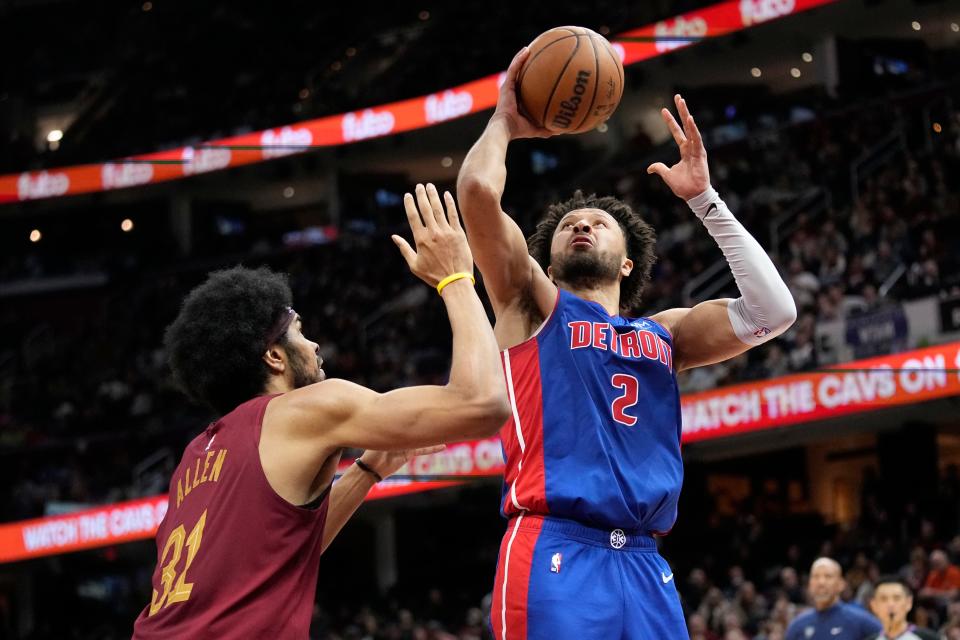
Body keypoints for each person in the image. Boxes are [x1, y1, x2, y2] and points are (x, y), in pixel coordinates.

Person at [456, 46, 798, 639]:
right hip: (554, 546)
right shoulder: (529, 303)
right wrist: (505, 123)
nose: (581, 225)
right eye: (568, 225)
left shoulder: (665, 334)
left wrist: (704, 201)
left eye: (598, 223)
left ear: (627, 264)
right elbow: (479, 197)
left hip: (645, 562)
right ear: (551, 256)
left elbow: (774, 311)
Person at [132, 185, 510, 638]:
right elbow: (483, 402)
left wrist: (367, 470)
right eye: (300, 332)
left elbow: (281, 553)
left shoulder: (197, 453)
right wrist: (456, 279)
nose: (313, 345)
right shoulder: (306, 406)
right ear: (274, 357)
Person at [785, 558, 882, 640]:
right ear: (809, 584)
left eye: (828, 576)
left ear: (841, 584)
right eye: (816, 576)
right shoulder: (797, 626)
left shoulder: (861, 621)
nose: (821, 582)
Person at [868, 575, 941, 640]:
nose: (890, 604)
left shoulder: (931, 638)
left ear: (909, 603)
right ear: (873, 605)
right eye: (883, 599)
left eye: (897, 598)